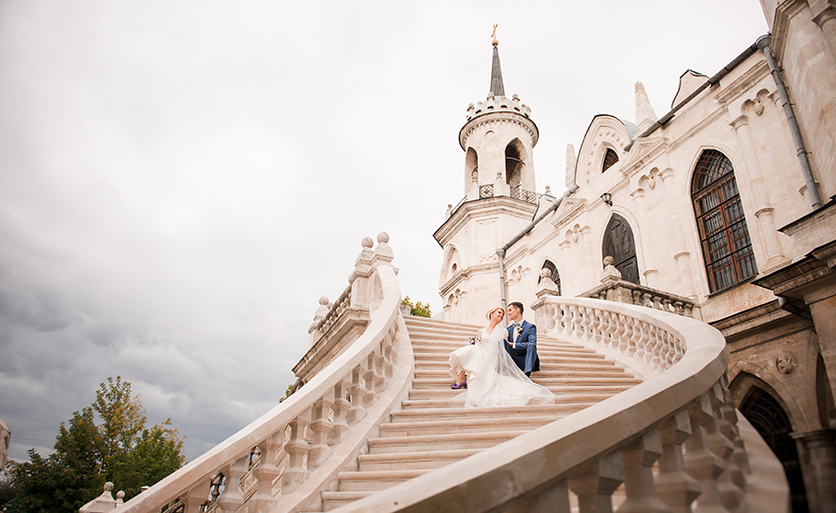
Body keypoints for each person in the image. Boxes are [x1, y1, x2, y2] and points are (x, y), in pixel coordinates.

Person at [448, 306, 554, 408]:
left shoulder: (504, 331)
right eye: (499, 312)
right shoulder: (481, 331)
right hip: (481, 354)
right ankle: (462, 376)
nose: (502, 315)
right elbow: (478, 344)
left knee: (476, 353)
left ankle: (461, 378)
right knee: (475, 349)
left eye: (503, 314)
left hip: (494, 358)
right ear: (492, 314)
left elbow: (503, 349)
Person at [505, 302, 540, 377]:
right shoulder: (508, 329)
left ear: (518, 310)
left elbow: (532, 344)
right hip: (514, 360)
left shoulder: (530, 327)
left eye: (510, 310)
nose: (508, 313)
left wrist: (514, 345)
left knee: (531, 345)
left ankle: (527, 374)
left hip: (526, 360)